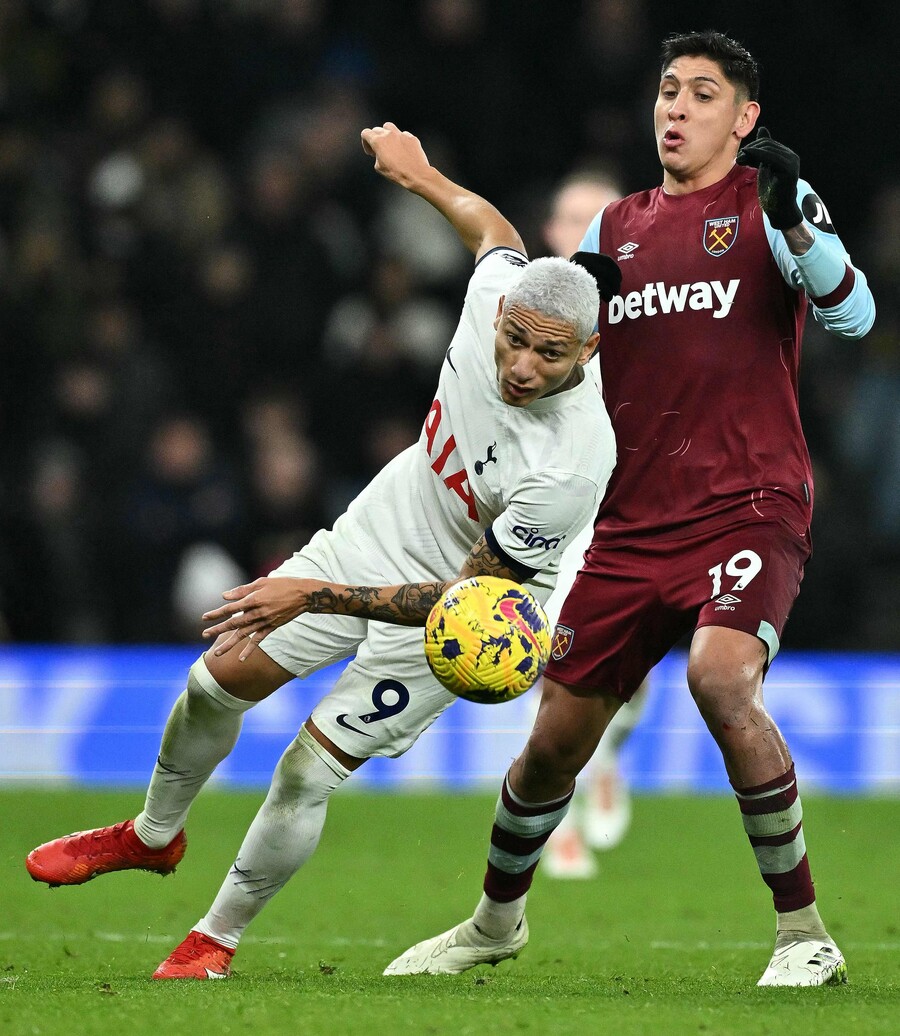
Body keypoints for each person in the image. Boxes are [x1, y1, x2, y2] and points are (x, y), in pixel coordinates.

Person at [25, 122, 620, 980]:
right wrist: (419, 175)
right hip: (375, 534)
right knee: (214, 682)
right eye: (514, 339)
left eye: (549, 353)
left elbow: (467, 596)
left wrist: (307, 594)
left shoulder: (570, 461)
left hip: (461, 617)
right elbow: (492, 230)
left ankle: (214, 939)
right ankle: (152, 836)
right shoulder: (500, 291)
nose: (520, 365)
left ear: (588, 352)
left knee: (307, 768)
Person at [383, 31, 875, 987]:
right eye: (666, 92)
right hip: (633, 520)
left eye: (700, 94)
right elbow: (562, 347)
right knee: (549, 752)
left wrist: (800, 231)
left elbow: (854, 316)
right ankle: (493, 924)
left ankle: (804, 934)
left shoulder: (773, 203)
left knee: (721, 680)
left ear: (746, 118)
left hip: (748, 503)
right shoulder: (616, 229)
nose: (676, 109)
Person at [539, 167, 649, 880]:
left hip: (635, 498)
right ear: (551, 232)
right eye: (568, 215)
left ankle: (606, 756)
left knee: (634, 667)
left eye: (594, 216)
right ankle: (556, 818)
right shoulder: (524, 308)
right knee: (560, 657)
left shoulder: (647, 307)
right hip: (558, 500)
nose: (580, 227)